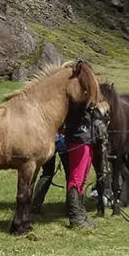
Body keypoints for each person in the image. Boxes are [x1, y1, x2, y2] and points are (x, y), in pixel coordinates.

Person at [57, 98, 98, 228]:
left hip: (87, 140)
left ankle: (80, 213)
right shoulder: (76, 102)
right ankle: (75, 217)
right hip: (79, 140)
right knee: (76, 179)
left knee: (82, 179)